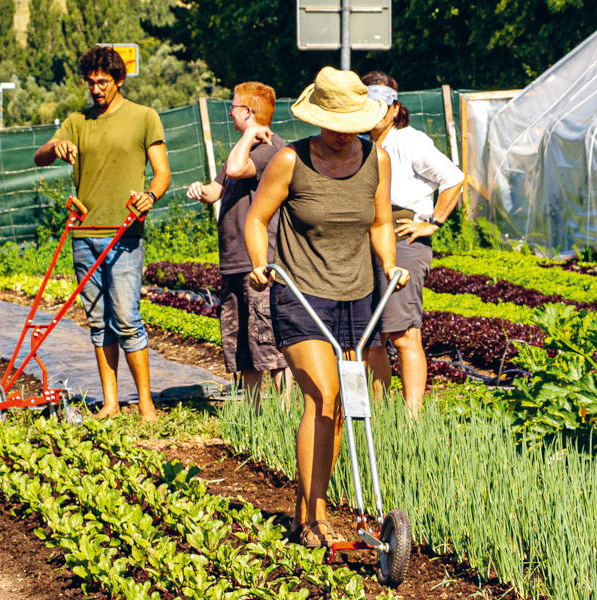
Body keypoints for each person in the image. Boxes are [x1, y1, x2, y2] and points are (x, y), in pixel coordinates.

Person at [243, 67, 408, 548]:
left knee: (341, 410)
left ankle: (307, 506)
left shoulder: (377, 159)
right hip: (301, 294)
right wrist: (260, 263)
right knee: (323, 396)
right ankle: (313, 515)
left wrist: (390, 264)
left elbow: (380, 222)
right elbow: (258, 219)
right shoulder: (291, 160)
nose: (341, 134)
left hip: (356, 297)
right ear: (318, 119)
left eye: (349, 124)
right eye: (332, 124)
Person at [33, 46, 171, 422]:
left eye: (103, 82)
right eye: (91, 82)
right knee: (98, 321)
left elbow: (162, 173)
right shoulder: (77, 121)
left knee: (126, 318)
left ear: (119, 80)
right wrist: (55, 145)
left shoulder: (144, 117)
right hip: (84, 236)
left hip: (124, 234)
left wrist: (150, 196)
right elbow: (40, 156)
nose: (96, 89)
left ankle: (145, 404)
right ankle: (110, 404)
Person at [361, 71, 465, 415]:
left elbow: (453, 177)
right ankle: (379, 416)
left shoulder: (408, 140)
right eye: (366, 105)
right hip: (368, 238)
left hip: (403, 239)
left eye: (380, 106)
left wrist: (432, 222)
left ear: (394, 109)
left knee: (403, 333)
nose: (373, 112)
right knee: (371, 337)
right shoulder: (361, 146)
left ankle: (411, 418)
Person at [185, 82, 290, 407]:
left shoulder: (269, 149)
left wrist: (249, 135)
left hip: (258, 261)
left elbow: (235, 169)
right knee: (241, 342)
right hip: (234, 261)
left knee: (268, 342)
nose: (229, 111)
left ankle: (284, 414)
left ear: (248, 112)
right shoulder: (244, 149)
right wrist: (199, 189)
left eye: (234, 107)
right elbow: (216, 189)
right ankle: (253, 412)